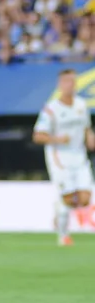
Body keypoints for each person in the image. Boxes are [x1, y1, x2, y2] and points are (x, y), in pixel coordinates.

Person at [32, 69, 95, 246]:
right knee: (68, 198)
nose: (70, 85)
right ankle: (63, 236)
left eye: (73, 81)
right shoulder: (51, 109)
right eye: (67, 81)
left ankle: (59, 208)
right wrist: (57, 139)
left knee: (84, 199)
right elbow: (38, 136)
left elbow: (86, 128)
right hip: (60, 158)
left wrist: (90, 137)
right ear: (60, 85)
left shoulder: (81, 105)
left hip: (80, 157)